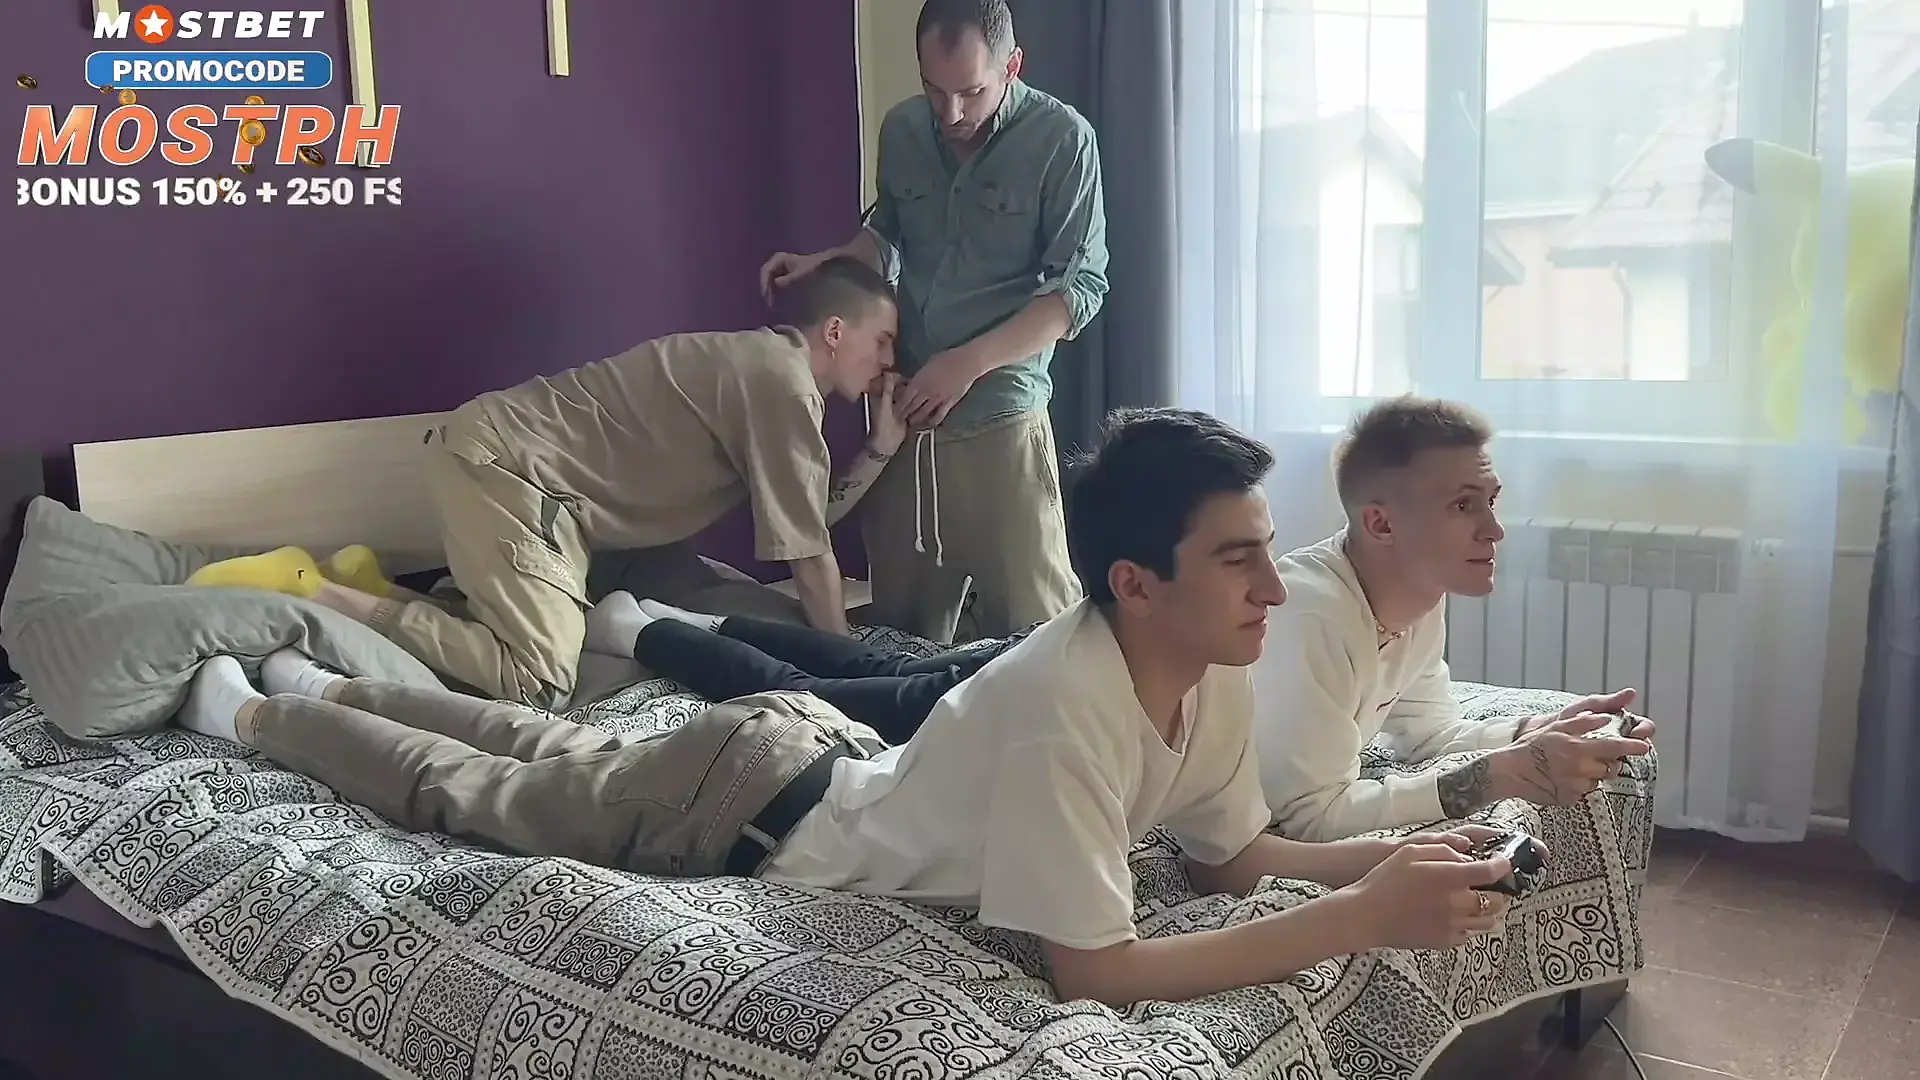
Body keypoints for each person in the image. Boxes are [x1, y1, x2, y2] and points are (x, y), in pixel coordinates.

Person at [170, 406, 1525, 1009]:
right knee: (491, 792)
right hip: (751, 809)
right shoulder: (1070, 703)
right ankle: (259, 715)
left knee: (551, 746)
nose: (1274, 588)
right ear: (1135, 583)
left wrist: (1396, 856)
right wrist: (1360, 916)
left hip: (802, 752)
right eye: (1238, 560)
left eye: (1265, 552)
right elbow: (1097, 974)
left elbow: (1231, 860)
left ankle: (322, 679)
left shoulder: (1209, 669)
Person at [184, 257, 902, 711]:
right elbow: (809, 553)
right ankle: (316, 589)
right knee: (540, 680)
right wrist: (850, 677)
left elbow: (804, 522)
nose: (888, 361)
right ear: (835, 331)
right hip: (513, 473)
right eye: (883, 342)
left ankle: (376, 587)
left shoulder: (771, 374)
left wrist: (879, 447)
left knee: (733, 610)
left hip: (555, 501)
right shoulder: (779, 381)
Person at [759, 0, 1109, 644]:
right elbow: (886, 237)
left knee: (1038, 632)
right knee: (902, 629)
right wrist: (824, 265)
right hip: (905, 414)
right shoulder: (902, 130)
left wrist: (966, 364)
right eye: (932, 88)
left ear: (1012, 66)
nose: (949, 114)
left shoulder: (1063, 140)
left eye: (971, 92)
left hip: (1001, 418)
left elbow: (1076, 291)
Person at [1254, 396, 1657, 842]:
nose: (1494, 530)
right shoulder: (1311, 616)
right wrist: (1497, 775)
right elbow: (1310, 818)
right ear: (1381, 524)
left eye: (1491, 501)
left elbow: (1428, 734)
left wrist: (1541, 729)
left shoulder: (1417, 594)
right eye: (1463, 506)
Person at [580, 594, 1036, 744]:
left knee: (893, 669)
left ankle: (690, 624)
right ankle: (639, 633)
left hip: (1036, 651)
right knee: (813, 697)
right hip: (1028, 681)